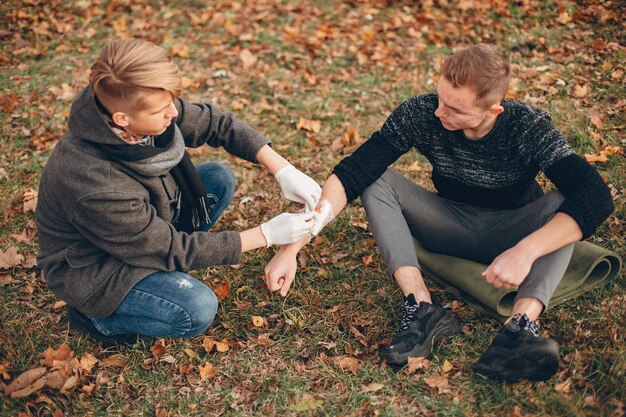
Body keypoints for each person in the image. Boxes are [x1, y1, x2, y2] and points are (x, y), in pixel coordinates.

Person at [264, 44, 614, 382]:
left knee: (563, 200)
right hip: (449, 223)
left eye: (455, 109)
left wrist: (527, 250)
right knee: (375, 180)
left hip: (514, 231)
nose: (440, 112)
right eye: (441, 98)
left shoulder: (528, 127)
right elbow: (353, 172)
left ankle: (519, 329)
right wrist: (293, 245)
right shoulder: (422, 112)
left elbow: (596, 196)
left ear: (493, 110)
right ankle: (421, 308)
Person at [36, 39, 321, 347]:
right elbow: (171, 249)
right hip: (96, 268)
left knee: (217, 178)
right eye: (162, 109)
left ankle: (159, 275)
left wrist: (281, 168)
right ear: (123, 120)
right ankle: (96, 318)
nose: (174, 112)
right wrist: (265, 234)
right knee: (195, 308)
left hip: (141, 227)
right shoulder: (95, 183)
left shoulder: (136, 108)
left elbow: (216, 124)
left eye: (172, 101)